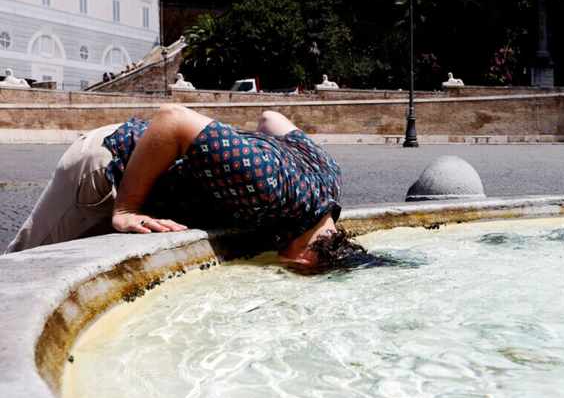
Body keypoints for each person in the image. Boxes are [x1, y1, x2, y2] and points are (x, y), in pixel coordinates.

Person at [4, 105, 352, 272]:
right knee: (23, 272)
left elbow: (270, 118)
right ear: (306, 257)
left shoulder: (331, 175)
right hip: (105, 165)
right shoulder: (265, 183)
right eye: (293, 270)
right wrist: (127, 209)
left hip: (145, 166)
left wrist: (227, 149)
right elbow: (172, 118)